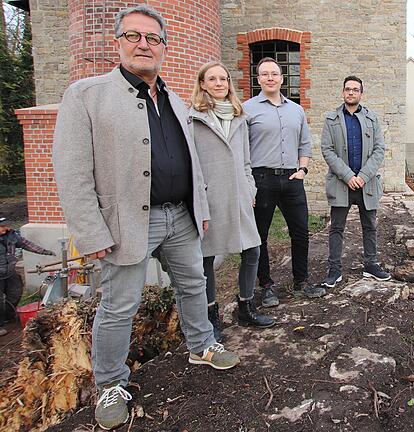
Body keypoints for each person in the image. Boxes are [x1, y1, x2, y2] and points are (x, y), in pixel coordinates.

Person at [52, 6, 239, 430]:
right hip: (128, 223)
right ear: (117, 41)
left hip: (181, 216)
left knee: (194, 284)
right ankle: (111, 384)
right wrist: (90, 230)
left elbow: (192, 161)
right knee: (120, 305)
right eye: (134, 36)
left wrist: (201, 209)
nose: (144, 44)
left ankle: (202, 344)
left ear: (164, 48)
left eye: (153, 38)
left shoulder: (174, 98)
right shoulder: (87, 95)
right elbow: (72, 170)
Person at [189, 61, 275, 341]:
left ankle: (245, 307)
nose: (218, 84)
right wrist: (199, 193)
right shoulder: (193, 118)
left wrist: (250, 189)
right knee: (207, 257)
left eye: (223, 79)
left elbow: (247, 160)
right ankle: (212, 315)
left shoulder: (240, 117)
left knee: (252, 250)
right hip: (210, 197)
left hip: (239, 195)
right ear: (202, 84)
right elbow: (191, 164)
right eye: (212, 79)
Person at [243, 57, 326, 307]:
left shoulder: (296, 110)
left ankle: (302, 281)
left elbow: (304, 143)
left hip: (292, 178)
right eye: (265, 74)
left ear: (281, 78)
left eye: (274, 74)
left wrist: (302, 169)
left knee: (300, 232)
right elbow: (242, 149)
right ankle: (266, 285)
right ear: (258, 79)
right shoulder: (247, 109)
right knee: (261, 236)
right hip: (261, 179)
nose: (270, 78)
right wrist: (248, 185)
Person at [320, 76, 390, 288]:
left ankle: (370, 264)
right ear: (343, 92)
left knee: (370, 225)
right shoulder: (331, 119)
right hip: (342, 183)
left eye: (355, 90)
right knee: (336, 228)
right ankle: (334, 270)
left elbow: (379, 150)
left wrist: (362, 176)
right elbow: (327, 150)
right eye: (348, 89)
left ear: (361, 93)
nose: (351, 93)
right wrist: (348, 176)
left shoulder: (372, 119)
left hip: (366, 183)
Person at [0, 217, 55, 335]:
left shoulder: (12, 236)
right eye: (3, 226)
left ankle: (8, 316)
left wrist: (45, 251)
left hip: (9, 271)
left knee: (15, 292)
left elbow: (26, 244)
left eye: (6, 225)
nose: (6, 228)